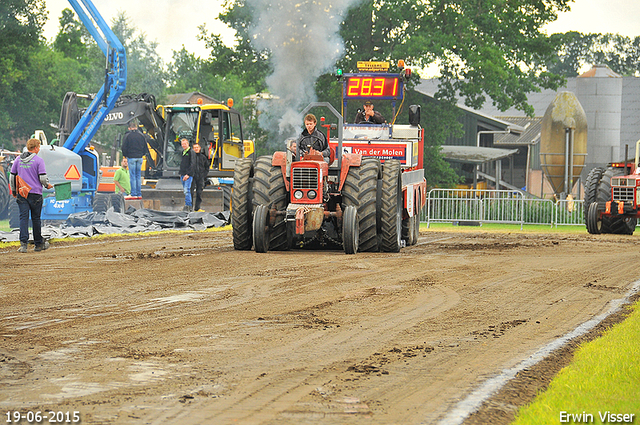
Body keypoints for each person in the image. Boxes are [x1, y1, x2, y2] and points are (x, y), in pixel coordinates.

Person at [9, 138, 53, 253]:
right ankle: (38, 244)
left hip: (22, 193)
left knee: (23, 218)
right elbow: (42, 177)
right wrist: (47, 185)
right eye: (39, 147)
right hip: (35, 194)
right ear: (36, 148)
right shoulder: (39, 161)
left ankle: (23, 245)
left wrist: (14, 191)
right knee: (36, 219)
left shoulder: (18, 160)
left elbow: (12, 176)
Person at [121, 120, 148, 199]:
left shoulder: (128, 136)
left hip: (131, 157)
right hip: (139, 158)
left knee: (132, 176)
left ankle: (133, 194)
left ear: (129, 128)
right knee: (138, 176)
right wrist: (141, 154)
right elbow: (145, 148)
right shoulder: (141, 135)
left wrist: (125, 155)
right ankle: (139, 194)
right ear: (136, 127)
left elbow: (124, 147)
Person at [191, 143, 211, 212]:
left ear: (200, 148)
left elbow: (207, 167)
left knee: (199, 193)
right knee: (190, 192)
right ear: (193, 149)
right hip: (192, 177)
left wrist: (204, 175)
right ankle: (189, 208)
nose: (196, 149)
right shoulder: (190, 157)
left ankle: (197, 208)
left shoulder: (203, 157)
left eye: (197, 147)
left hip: (200, 177)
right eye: (194, 148)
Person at [179, 138, 196, 212]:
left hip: (188, 175)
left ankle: (188, 206)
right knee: (185, 191)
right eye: (182, 144)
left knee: (187, 190)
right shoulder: (183, 152)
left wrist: (188, 174)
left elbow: (193, 164)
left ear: (188, 144)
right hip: (183, 174)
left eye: (185, 144)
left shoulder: (191, 152)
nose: (183, 145)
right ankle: (187, 205)